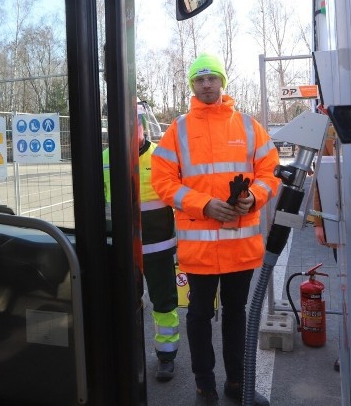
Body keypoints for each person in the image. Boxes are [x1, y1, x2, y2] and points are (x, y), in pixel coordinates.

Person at [151, 53, 280, 406]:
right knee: (198, 316)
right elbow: (162, 180)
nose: (206, 84)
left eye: (212, 78)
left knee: (237, 316)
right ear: (192, 85)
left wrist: (252, 198)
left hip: (240, 247)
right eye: (199, 79)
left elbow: (270, 173)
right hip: (200, 250)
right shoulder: (177, 129)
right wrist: (203, 204)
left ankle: (237, 384)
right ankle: (204, 386)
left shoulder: (249, 126)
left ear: (222, 82)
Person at [103, 103, 180, 381]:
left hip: (158, 249)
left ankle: (166, 356)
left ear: (143, 126)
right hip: (124, 251)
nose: (127, 130)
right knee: (126, 303)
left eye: (133, 123)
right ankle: (128, 355)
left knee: (164, 303)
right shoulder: (106, 159)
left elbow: (179, 200)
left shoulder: (162, 156)